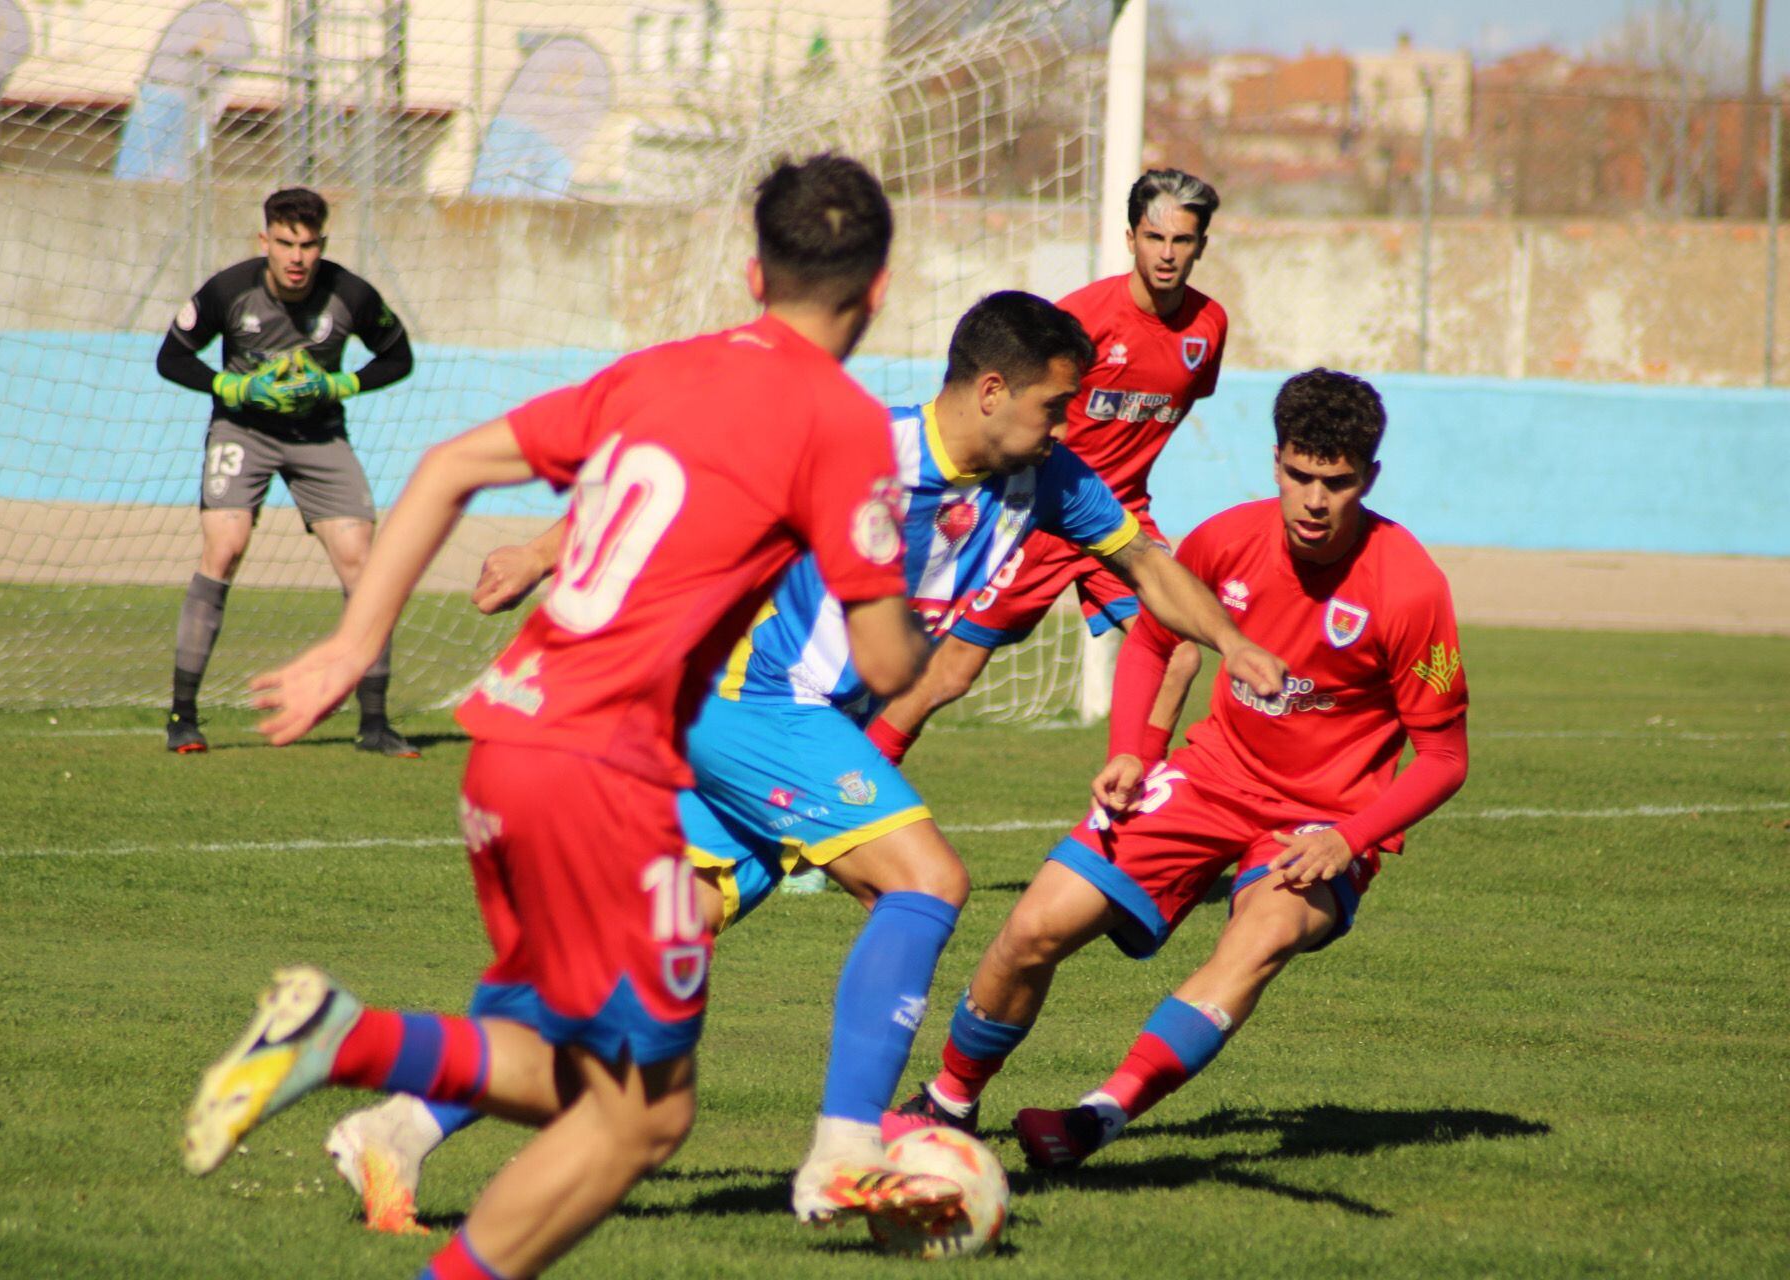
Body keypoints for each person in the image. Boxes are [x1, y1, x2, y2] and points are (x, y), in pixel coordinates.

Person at [320, 291, 1288, 1235]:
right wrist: (540, 547)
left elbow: (1151, 567)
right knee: (929, 880)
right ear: (992, 390)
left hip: (790, 730)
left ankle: (394, 1128)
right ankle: (844, 1149)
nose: (1064, 424)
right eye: (1052, 405)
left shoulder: (1052, 478)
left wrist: (1234, 645)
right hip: (750, 701)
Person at [180, 154, 946, 1278]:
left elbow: (448, 465)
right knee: (644, 1113)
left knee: (587, 1078)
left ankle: (358, 1053)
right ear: (878, 290)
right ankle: (342, 1037)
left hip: (507, 747)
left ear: (750, 271)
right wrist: (922, 596)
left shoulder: (657, 373)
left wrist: (351, 648)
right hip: (606, 768)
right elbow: (883, 654)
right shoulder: (842, 424)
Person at [886, 368, 1471, 1171]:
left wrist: (1352, 838)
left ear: (1368, 479)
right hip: (1209, 778)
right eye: (1299, 475)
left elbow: (1443, 757)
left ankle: (1096, 1117)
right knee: (1034, 925)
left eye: (1335, 483)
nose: (1313, 500)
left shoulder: (1408, 588)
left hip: (1321, 822)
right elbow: (1161, 639)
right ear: (1275, 462)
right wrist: (1134, 749)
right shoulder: (1226, 540)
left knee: (1261, 935)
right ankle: (947, 1100)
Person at [863, 167, 1228, 769]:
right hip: (1039, 511)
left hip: (1119, 515)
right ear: (1131, 237)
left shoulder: (1208, 328)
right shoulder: (1082, 318)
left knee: (1178, 651)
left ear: (1201, 247)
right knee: (949, 675)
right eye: (1155, 238)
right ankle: (859, 779)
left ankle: (1125, 807)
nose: (1167, 254)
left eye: (1182, 240)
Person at [155, 186, 418, 756]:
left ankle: (374, 724)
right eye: (285, 243)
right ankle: (183, 717)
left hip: (319, 435)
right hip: (241, 431)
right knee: (225, 545)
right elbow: (171, 356)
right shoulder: (230, 290)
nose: (297, 257)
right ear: (264, 241)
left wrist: (341, 382)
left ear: (322, 244)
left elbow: (399, 356)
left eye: (308, 245)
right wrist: (231, 384)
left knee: (364, 564)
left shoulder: (350, 293)